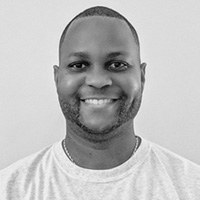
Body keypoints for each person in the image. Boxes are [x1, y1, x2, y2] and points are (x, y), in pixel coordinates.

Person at [0, 6, 200, 200]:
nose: (98, 80)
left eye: (117, 65)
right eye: (78, 65)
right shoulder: (9, 189)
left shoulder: (192, 186)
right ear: (57, 78)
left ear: (142, 76)